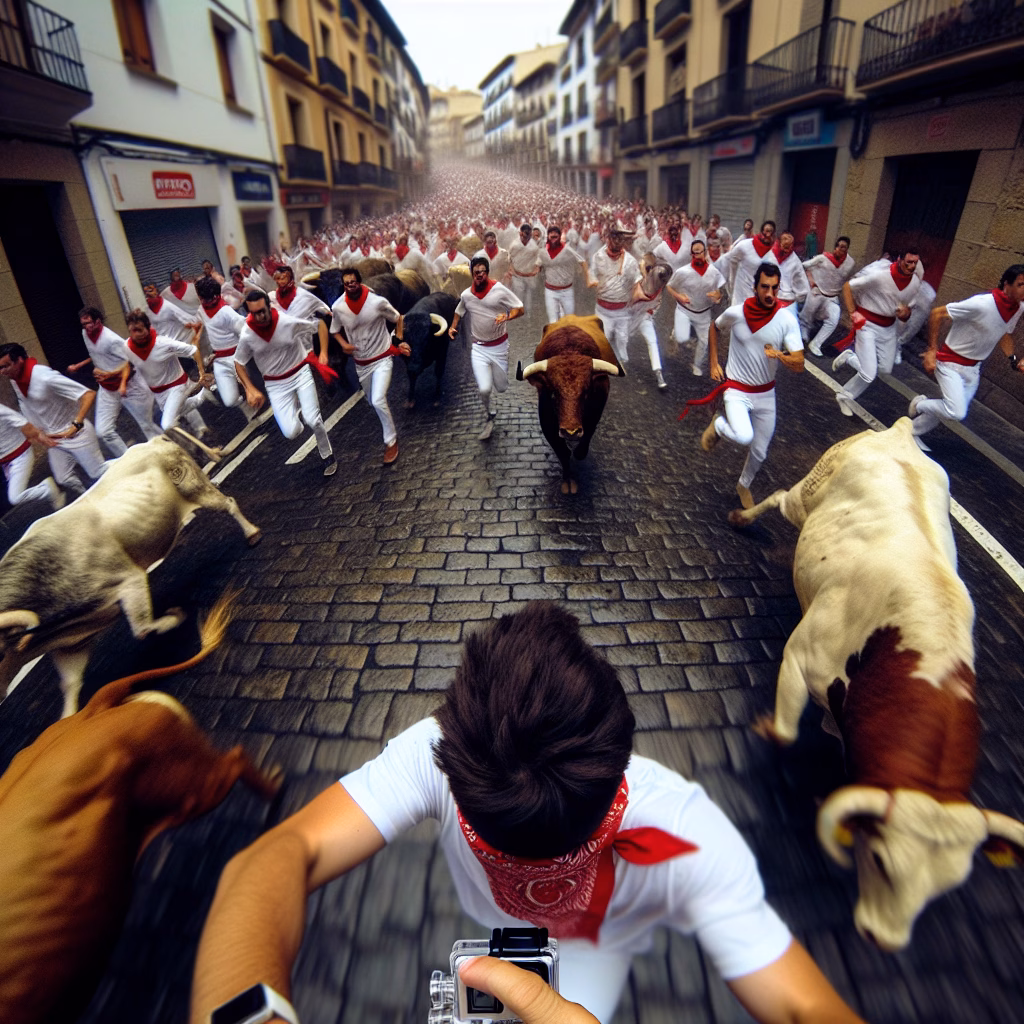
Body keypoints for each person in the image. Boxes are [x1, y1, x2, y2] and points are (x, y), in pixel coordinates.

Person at [190, 602, 865, 1024]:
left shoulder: (435, 754)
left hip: (590, 947)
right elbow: (802, 1003)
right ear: (618, 760)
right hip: (598, 942)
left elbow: (271, 860)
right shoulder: (689, 833)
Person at [688, 262, 804, 509]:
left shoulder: (786, 319)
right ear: (755, 287)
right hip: (736, 390)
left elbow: (799, 363)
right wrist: (714, 363)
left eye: (774, 288)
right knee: (743, 436)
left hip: (766, 394)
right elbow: (715, 327)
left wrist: (780, 355)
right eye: (765, 287)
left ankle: (743, 485)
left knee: (760, 452)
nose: (770, 293)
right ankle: (719, 426)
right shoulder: (736, 313)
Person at [908, 264, 1024, 450]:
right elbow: (937, 314)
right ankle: (920, 404)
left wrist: (1014, 360)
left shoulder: (1017, 308)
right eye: (1021, 284)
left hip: (973, 369)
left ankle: (912, 432)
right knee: (956, 412)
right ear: (1006, 284)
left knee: (948, 408)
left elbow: (1004, 333)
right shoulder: (982, 304)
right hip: (949, 362)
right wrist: (932, 350)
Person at [233, 290, 337, 476]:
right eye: (254, 313)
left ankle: (327, 454)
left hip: (300, 374)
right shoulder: (247, 335)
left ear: (269, 306)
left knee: (313, 419)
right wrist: (249, 389)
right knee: (291, 432)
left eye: (262, 311)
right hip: (275, 385)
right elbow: (238, 362)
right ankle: (299, 409)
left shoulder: (287, 322)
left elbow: (319, 325)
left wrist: (323, 353)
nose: (259, 317)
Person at [0, 342, 107, 492]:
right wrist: (38, 432)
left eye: (6, 366)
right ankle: (88, 497)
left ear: (20, 360)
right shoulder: (16, 380)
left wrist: (77, 424)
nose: (2, 372)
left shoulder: (44, 376)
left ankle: (133, 462)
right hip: (55, 439)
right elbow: (27, 405)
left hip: (77, 434)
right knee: (64, 478)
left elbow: (88, 394)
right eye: (0, 368)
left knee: (99, 472)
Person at [329, 268, 408, 464]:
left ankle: (391, 441)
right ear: (343, 285)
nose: (350, 286)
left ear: (359, 282)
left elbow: (398, 317)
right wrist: (344, 344)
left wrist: (398, 340)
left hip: (382, 358)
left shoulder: (377, 302)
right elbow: (334, 330)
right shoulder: (338, 307)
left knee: (378, 399)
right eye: (347, 283)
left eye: (353, 282)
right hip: (361, 365)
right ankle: (389, 434)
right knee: (372, 401)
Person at [832, 249, 923, 417]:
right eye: (908, 262)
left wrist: (906, 314)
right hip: (867, 324)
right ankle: (845, 395)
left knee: (885, 370)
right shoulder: (880, 276)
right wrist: (853, 313)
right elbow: (847, 287)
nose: (911, 266)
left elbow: (908, 309)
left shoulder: (915, 283)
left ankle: (850, 358)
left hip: (888, 328)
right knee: (869, 374)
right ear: (899, 260)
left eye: (915, 263)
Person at [67, 306, 162, 456]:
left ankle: (170, 451)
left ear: (98, 321)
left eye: (88, 323)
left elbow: (130, 363)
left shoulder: (111, 340)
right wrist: (79, 365)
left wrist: (110, 375)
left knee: (147, 425)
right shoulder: (85, 334)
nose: (86, 327)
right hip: (107, 389)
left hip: (131, 386)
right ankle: (129, 460)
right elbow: (97, 354)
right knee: (103, 432)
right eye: (83, 324)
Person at [448, 256, 524, 440]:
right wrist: (452, 327)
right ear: (472, 274)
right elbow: (459, 310)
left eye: (482, 271)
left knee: (502, 387)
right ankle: (489, 414)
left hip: (499, 346)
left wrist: (506, 316)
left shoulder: (499, 290)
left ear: (487, 273)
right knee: (484, 389)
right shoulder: (467, 295)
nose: (479, 275)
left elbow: (520, 308)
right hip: (479, 348)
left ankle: (499, 377)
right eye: (476, 272)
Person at [120, 309, 208, 432]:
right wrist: (123, 382)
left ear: (147, 327)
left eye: (139, 330)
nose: (136, 334)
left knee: (167, 425)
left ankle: (188, 443)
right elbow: (127, 363)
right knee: (181, 410)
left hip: (178, 386)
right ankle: (205, 395)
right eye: (132, 331)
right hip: (158, 393)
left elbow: (193, 350)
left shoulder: (163, 343)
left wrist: (202, 373)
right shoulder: (126, 347)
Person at [194, 275, 252, 423]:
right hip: (219, 360)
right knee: (230, 400)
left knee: (256, 386)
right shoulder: (201, 310)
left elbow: (245, 334)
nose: (204, 301)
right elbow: (204, 335)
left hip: (237, 357)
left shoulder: (227, 312)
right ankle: (250, 410)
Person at [666, 240, 726, 376]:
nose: (697, 256)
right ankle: (676, 334)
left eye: (699, 253)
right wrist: (679, 296)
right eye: (694, 253)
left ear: (705, 252)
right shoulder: (683, 272)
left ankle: (696, 365)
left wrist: (718, 296)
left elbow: (719, 291)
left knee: (704, 341)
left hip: (703, 313)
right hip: (685, 310)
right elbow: (669, 286)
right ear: (691, 255)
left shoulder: (714, 272)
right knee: (681, 339)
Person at [589, 225, 643, 368]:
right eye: (614, 237)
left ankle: (620, 360)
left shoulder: (630, 261)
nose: (617, 241)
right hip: (603, 309)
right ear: (608, 239)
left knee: (622, 338)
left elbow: (637, 281)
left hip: (622, 310)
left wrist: (637, 297)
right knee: (604, 338)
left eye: (620, 239)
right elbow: (592, 274)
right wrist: (595, 282)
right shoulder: (598, 257)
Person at [0, 404, 63, 510]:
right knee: (13, 495)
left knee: (15, 498)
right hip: (7, 462)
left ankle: (46, 490)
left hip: (20, 456)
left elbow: (21, 421)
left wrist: (38, 435)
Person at [800, 237, 854, 356]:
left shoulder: (850, 263)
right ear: (835, 247)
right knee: (807, 317)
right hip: (817, 292)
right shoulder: (822, 258)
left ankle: (816, 343)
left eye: (843, 247)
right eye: (838, 246)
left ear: (847, 249)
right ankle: (803, 336)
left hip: (832, 297)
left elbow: (843, 278)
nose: (840, 249)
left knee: (833, 319)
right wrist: (811, 279)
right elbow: (804, 265)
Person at [269, 264, 331, 358]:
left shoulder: (304, 296)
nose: (280, 282)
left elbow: (322, 316)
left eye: (283, 278)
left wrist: (323, 352)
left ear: (290, 278)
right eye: (277, 279)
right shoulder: (272, 298)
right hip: (285, 350)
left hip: (307, 347)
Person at [536, 225, 587, 323]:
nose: (553, 235)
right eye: (551, 233)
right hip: (550, 291)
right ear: (548, 236)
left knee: (569, 320)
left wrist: (587, 278)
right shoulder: (543, 251)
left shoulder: (567, 250)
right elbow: (538, 266)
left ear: (560, 236)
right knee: (553, 321)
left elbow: (582, 261)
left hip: (567, 291)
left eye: (556, 233)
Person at [715, 221, 776, 304]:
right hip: (740, 294)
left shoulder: (772, 255)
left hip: (758, 296)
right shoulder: (744, 245)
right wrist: (731, 284)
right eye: (766, 231)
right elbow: (730, 260)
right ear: (761, 231)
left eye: (770, 232)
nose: (767, 234)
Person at [143, 281, 201, 346]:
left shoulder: (168, 306)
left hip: (180, 343)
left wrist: (192, 324)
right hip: (164, 345)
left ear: (157, 291)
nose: (148, 294)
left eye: (150, 291)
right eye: (145, 293)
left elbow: (190, 320)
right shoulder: (147, 310)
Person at [770, 233, 810, 308]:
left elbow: (801, 282)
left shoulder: (795, 261)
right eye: (784, 246)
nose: (786, 250)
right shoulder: (771, 255)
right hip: (774, 297)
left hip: (785, 299)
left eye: (788, 246)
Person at [509, 222, 540, 314]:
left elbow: (538, 258)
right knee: (519, 297)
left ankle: (528, 317)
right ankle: (518, 317)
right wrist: (511, 270)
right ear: (520, 233)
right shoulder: (514, 245)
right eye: (525, 234)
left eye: (528, 235)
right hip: (517, 275)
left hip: (530, 276)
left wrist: (536, 268)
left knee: (529, 300)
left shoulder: (534, 246)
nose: (526, 238)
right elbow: (509, 259)